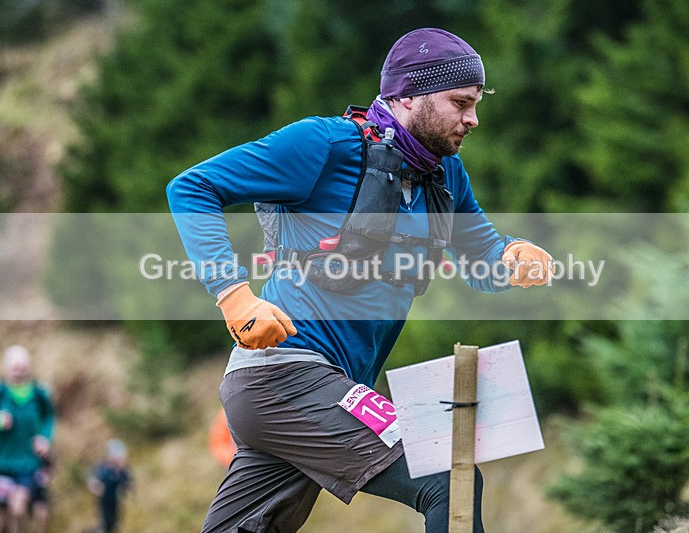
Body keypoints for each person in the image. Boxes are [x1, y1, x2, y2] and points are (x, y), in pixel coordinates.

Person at [167, 27, 553, 533]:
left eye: (476, 104)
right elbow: (192, 187)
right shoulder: (324, 144)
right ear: (408, 95)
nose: (472, 119)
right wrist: (233, 294)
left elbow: (484, 260)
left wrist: (515, 256)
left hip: (313, 392)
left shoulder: (446, 176)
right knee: (448, 476)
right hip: (284, 375)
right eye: (460, 102)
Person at [0, 345, 55, 533]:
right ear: (6, 368)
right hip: (0, 464)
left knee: (18, 508)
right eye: (14, 368)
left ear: (29, 368)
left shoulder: (39, 394)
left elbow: (49, 417)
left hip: (28, 463)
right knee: (1, 520)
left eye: (22, 368)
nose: (18, 373)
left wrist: (44, 437)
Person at [87, 439, 133, 533]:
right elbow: (92, 477)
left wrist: (128, 486)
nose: (121, 460)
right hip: (104, 500)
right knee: (105, 520)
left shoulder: (121, 470)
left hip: (115, 499)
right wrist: (95, 485)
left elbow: (126, 480)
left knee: (115, 520)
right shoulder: (103, 468)